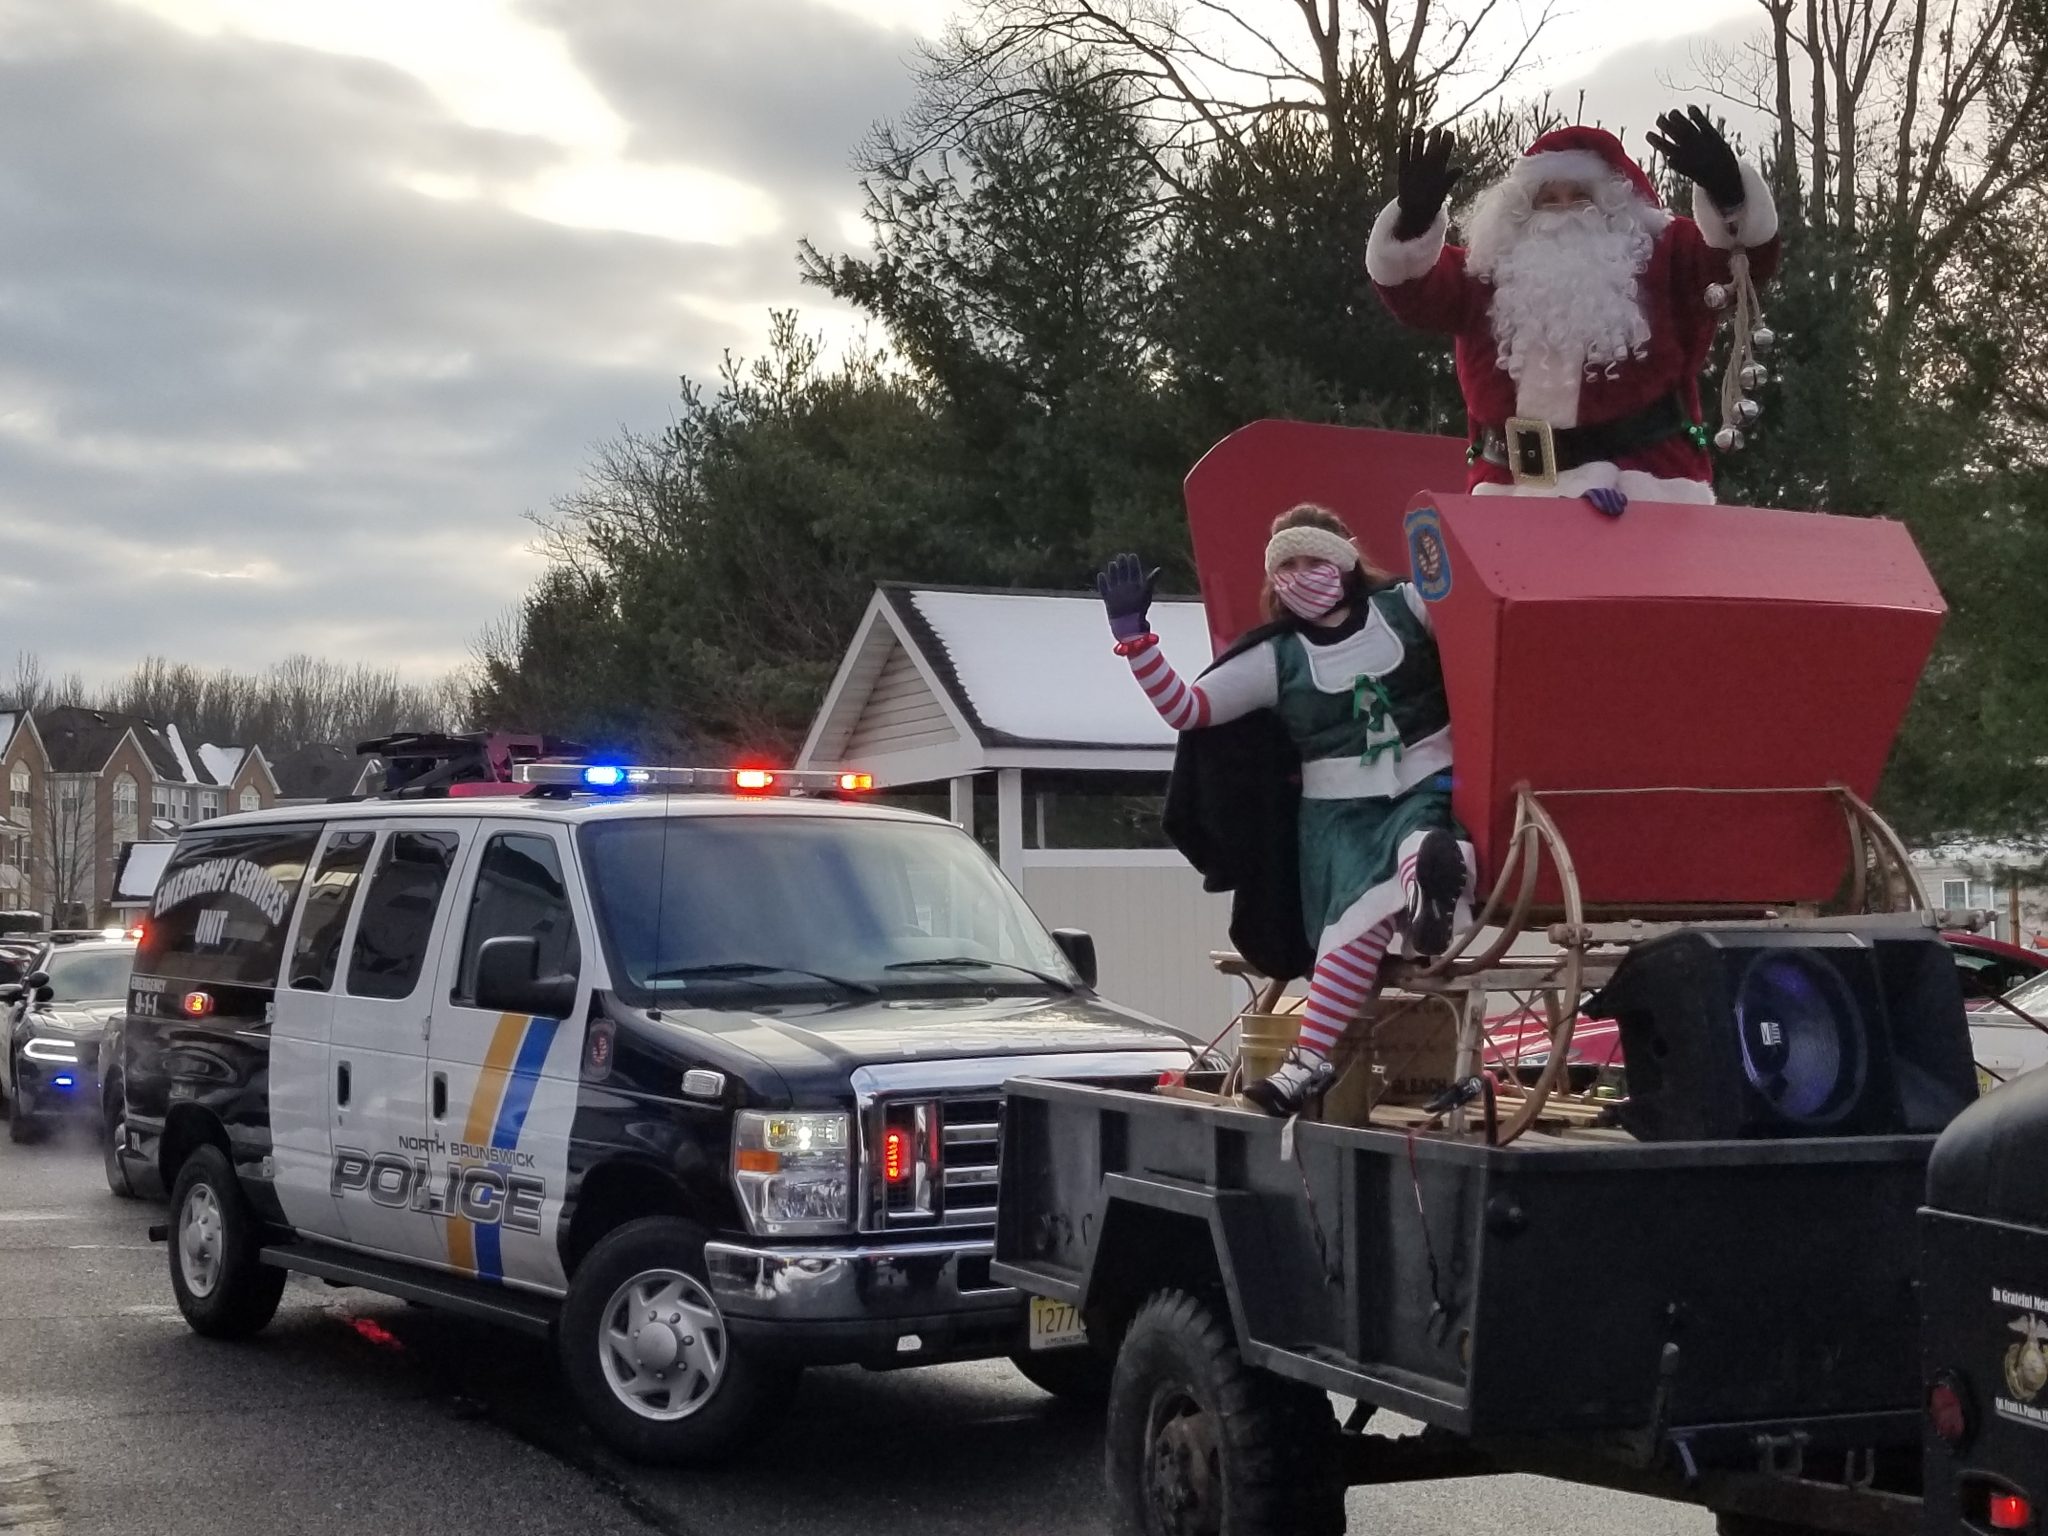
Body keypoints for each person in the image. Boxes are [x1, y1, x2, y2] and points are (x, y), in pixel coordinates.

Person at [1097, 505, 1476, 1116]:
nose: (1303, 574)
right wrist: (1136, 640)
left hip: (1425, 784)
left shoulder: (1407, 609)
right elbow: (1188, 710)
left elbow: (1480, 623)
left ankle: (1428, 890)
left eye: (1314, 559)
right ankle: (1307, 1065)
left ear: (1346, 559)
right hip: (1339, 819)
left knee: (1426, 838)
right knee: (1349, 929)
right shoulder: (1276, 659)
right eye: (1288, 566)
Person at [1366, 110, 1782, 508]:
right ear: (1523, 208)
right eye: (1548, 199)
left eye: (1580, 197)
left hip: (1644, 487)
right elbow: (1414, 292)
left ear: (1613, 203)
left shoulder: (1662, 256)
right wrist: (1412, 225)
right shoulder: (1487, 272)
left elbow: (1739, 265)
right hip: (1512, 496)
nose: (1564, 210)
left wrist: (1728, 196)